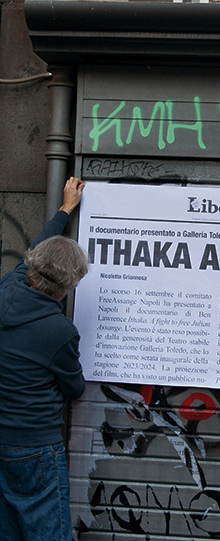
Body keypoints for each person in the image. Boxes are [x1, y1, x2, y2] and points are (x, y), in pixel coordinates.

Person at [0, 177, 88, 541]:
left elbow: (38, 249)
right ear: (66, 287)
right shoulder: (58, 330)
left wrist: (65, 209)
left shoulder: (8, 287)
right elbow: (75, 387)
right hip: (34, 448)